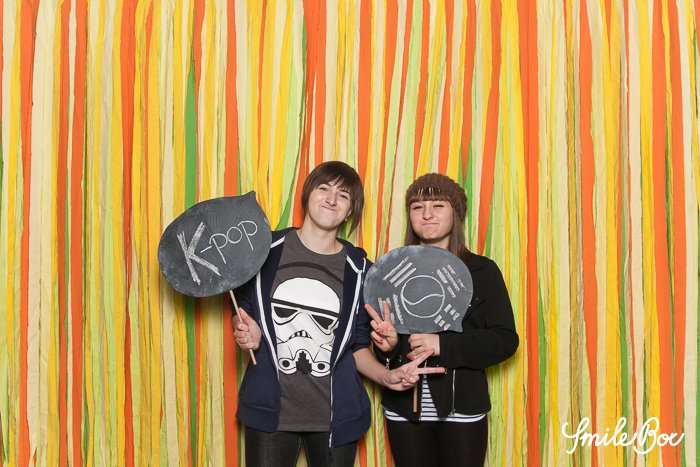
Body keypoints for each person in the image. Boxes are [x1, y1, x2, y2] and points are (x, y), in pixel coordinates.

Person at [231, 161, 443, 467]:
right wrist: (245, 328)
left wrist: (387, 376)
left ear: (350, 210)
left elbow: (357, 346)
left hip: (336, 417)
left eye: (343, 195)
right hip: (269, 412)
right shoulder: (264, 250)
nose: (332, 199)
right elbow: (243, 309)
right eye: (324, 188)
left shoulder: (362, 272)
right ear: (307, 194)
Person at [367, 173, 519, 467]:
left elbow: (504, 340)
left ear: (455, 214)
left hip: (461, 410)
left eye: (438, 205)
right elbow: (382, 351)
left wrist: (442, 344)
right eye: (417, 206)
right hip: (403, 411)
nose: (427, 214)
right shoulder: (390, 272)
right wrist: (389, 346)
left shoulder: (482, 271)